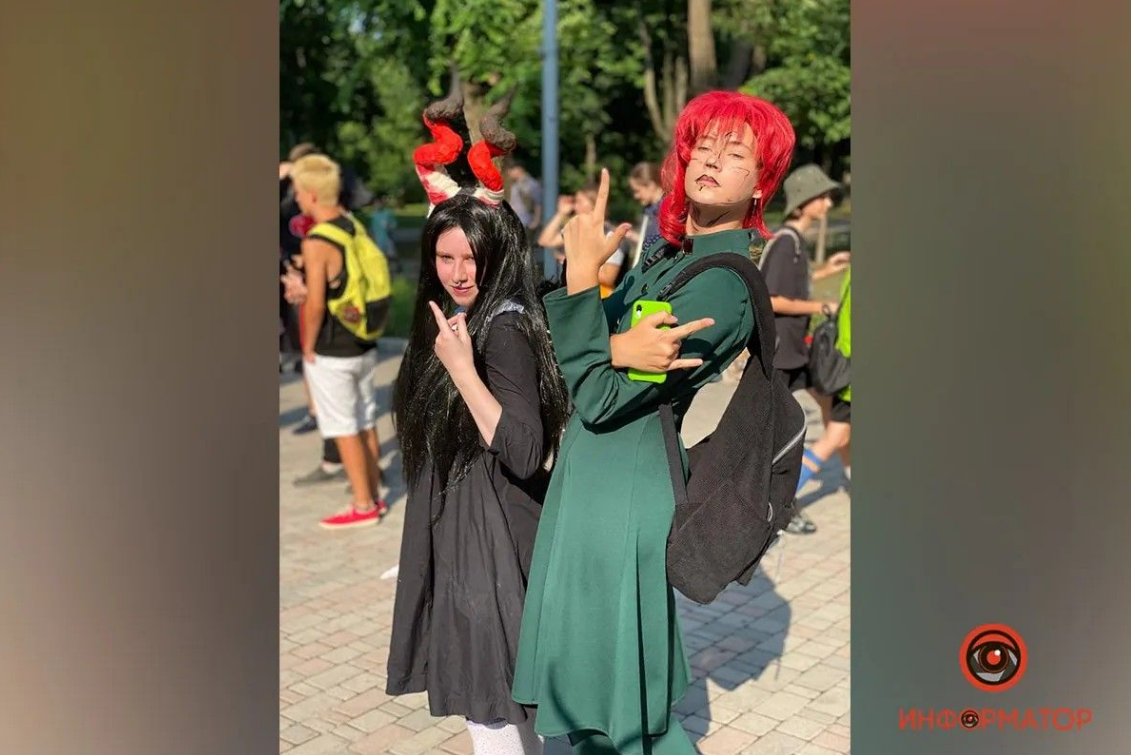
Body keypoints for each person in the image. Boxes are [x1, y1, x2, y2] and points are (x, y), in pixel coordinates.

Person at [512, 91, 796, 755]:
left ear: (762, 183)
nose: (712, 161)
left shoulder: (721, 283)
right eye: (704, 145)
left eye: (736, 153)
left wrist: (584, 291)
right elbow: (577, 355)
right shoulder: (669, 256)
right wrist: (600, 323)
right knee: (588, 691)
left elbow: (600, 396)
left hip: (624, 488)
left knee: (616, 708)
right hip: (592, 477)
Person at [387, 91, 569, 755]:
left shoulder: (504, 328)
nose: (459, 273)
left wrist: (463, 371)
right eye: (445, 258)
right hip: (466, 521)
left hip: (492, 533)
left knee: (492, 705)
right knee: (497, 702)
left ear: (497, 254)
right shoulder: (460, 315)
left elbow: (523, 448)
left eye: (472, 258)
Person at [290, 154, 387, 529]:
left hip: (333, 348)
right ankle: (374, 494)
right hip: (363, 341)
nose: (297, 199)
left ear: (312, 195)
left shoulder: (316, 241)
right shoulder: (351, 225)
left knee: (343, 427)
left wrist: (307, 346)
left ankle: (362, 506)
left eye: (298, 192)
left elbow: (315, 305)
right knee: (365, 421)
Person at [760, 163, 850, 534]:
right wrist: (820, 306)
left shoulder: (796, 243)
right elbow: (771, 298)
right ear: (803, 202)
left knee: (835, 413)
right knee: (775, 438)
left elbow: (796, 285)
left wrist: (827, 269)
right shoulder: (786, 243)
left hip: (798, 353)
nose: (828, 203)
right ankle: (778, 507)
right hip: (782, 355)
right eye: (823, 197)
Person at [795, 266, 851, 494]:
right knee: (832, 439)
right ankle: (778, 498)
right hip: (852, 376)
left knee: (841, 437)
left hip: (845, 367)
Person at [537, 183, 630, 297]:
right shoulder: (580, 231)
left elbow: (608, 278)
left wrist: (576, 265)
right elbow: (545, 241)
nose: (575, 207)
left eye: (579, 201)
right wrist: (561, 213)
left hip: (604, 299)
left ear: (595, 204)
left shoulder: (610, 234)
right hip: (581, 295)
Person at [625, 161, 665, 268]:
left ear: (651, 185)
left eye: (637, 191)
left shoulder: (666, 211)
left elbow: (659, 245)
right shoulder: (648, 211)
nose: (636, 196)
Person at [505, 158, 543, 258]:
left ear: (519, 169)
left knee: (525, 252)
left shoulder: (531, 184)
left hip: (526, 222)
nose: (509, 172)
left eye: (511, 169)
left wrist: (535, 221)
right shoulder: (514, 184)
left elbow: (538, 203)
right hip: (515, 222)